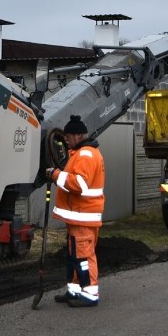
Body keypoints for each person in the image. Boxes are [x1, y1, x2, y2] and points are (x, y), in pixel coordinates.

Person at [45, 115, 105, 307]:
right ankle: (74, 291)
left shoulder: (85, 155)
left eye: (69, 136)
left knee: (84, 256)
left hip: (83, 216)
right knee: (75, 256)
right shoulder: (80, 153)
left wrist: (55, 175)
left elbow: (78, 183)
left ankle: (90, 293)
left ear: (78, 135)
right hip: (78, 217)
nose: (66, 139)